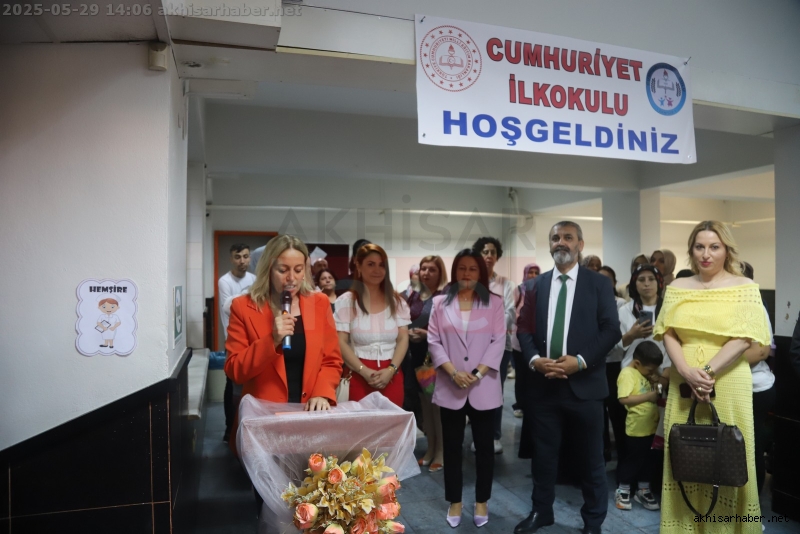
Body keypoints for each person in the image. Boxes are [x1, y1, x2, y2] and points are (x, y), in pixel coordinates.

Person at [653, 220, 771, 533]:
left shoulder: (744, 287)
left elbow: (744, 338)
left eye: (714, 247)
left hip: (728, 379)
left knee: (729, 455)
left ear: (726, 250)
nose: (706, 254)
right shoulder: (678, 287)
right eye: (700, 247)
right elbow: (668, 333)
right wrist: (686, 372)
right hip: (683, 378)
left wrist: (705, 373)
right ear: (691, 250)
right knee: (685, 454)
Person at [515, 221, 621, 534]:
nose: (561, 242)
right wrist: (534, 360)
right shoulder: (534, 286)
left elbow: (611, 330)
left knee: (591, 460)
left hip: (585, 387)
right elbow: (523, 329)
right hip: (544, 386)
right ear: (550, 244)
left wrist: (581, 361)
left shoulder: (598, 284)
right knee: (543, 457)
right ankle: (541, 512)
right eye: (555, 238)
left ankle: (593, 522)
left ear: (580, 244)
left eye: (568, 237)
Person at [224, 234, 343, 428]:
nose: (291, 278)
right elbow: (235, 371)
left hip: (309, 416)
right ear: (268, 269)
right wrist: (272, 340)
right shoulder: (243, 307)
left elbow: (332, 361)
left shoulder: (319, 303)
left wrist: (322, 393)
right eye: (283, 270)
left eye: (298, 270)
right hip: (264, 420)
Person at [427, 249, 506, 528]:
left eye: (473, 268)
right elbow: (434, 341)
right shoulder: (440, 302)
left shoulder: (494, 302)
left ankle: (482, 500)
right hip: (451, 385)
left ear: (480, 272)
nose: (467, 273)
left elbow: (498, 341)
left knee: (484, 448)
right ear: (455, 271)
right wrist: (453, 372)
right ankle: (455, 501)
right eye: (462, 268)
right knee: (452, 447)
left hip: (483, 385)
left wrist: (476, 373)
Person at [334, 244, 410, 406]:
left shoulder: (397, 302)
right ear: (358, 266)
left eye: (381, 265)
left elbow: (403, 339)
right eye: (370, 264)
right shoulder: (346, 302)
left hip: (391, 375)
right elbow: (341, 341)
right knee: (359, 422)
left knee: (392, 421)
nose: (377, 270)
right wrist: (364, 371)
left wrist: (391, 369)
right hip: (358, 374)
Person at [405, 255, 448, 472]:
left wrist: (426, 334)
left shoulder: (444, 296)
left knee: (437, 407)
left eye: (432, 269)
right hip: (416, 355)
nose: (426, 273)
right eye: (423, 268)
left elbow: (449, 328)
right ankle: (430, 449)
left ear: (440, 273)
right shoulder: (414, 295)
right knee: (425, 406)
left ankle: (441, 452)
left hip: (436, 355)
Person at [472, 236, 515, 454]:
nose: (489, 256)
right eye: (485, 252)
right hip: (471, 347)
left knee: (494, 390)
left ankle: (494, 435)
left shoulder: (506, 284)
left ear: (497, 256)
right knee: (473, 389)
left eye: (493, 252)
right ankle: (478, 434)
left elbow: (509, 314)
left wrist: (487, 328)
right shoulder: (470, 281)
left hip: (499, 346)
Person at [740, 261, 776, 496]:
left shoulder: (754, 304)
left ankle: (751, 508)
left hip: (755, 388)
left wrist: (715, 366)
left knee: (750, 449)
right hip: (728, 387)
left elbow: (761, 352)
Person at [615, 341, 663, 512]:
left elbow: (656, 393)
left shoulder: (643, 374)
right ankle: (623, 489)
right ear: (637, 363)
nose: (652, 372)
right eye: (650, 369)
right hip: (637, 428)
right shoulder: (628, 373)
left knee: (649, 461)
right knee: (633, 460)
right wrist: (649, 396)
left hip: (651, 427)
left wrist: (655, 381)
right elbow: (623, 399)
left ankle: (643, 489)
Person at [218, 243, 257, 441]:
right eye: (238, 257)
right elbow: (229, 306)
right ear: (231, 259)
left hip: (252, 340)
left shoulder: (254, 279)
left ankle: (249, 429)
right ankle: (229, 430)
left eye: (245, 256)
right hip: (232, 340)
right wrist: (247, 295)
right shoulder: (224, 281)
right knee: (232, 385)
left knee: (250, 386)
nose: (242, 261)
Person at [511, 263, 539, 419]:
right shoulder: (519, 290)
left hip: (537, 340)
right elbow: (512, 311)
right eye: (530, 272)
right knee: (521, 375)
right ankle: (520, 405)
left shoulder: (542, 289)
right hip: (519, 340)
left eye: (536, 272)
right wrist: (525, 322)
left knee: (534, 376)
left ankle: (533, 404)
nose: (533, 275)